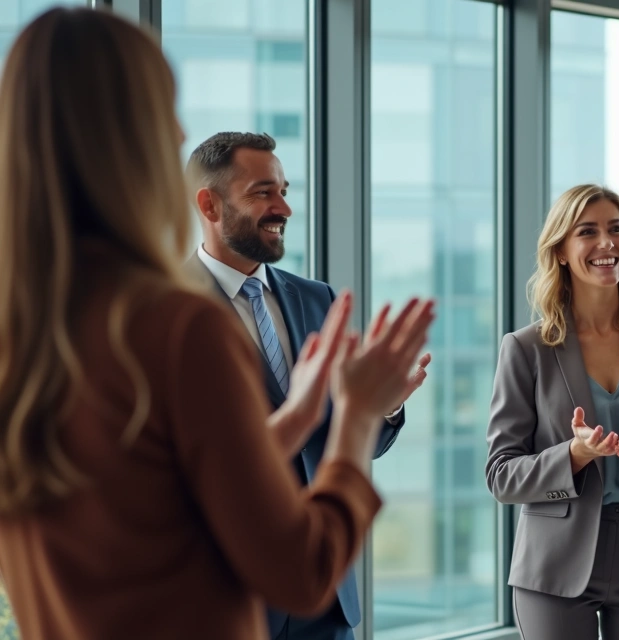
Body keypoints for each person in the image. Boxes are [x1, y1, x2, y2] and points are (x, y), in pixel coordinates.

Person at [0, 7, 434, 640]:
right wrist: (357, 416)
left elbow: (160, 492)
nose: (177, 130)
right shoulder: (177, 326)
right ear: (126, 136)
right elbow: (301, 567)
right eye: (164, 107)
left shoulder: (27, 328)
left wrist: (306, 415)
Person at [185, 131, 429, 640]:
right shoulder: (170, 312)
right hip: (233, 598)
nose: (283, 209)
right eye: (262, 193)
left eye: (285, 190)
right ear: (209, 204)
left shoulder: (317, 300)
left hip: (326, 592)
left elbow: (346, 441)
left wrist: (379, 412)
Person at [485, 184, 619, 640]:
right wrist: (573, 454)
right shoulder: (525, 349)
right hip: (555, 565)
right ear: (562, 251)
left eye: (617, 229)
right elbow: (501, 475)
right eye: (588, 232)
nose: (607, 243)